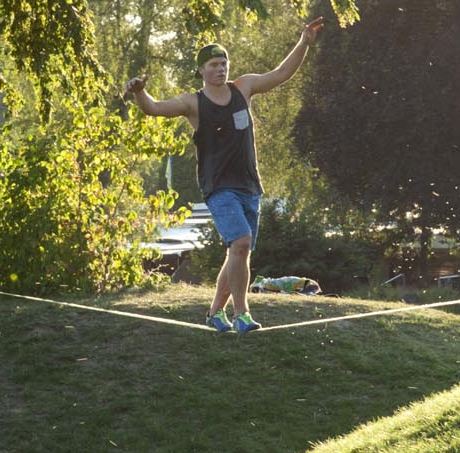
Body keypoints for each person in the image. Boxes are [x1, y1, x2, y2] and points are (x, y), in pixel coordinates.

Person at [123, 17, 322, 334]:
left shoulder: (243, 88)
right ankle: (242, 314)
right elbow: (154, 108)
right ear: (201, 70)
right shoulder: (193, 103)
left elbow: (281, 74)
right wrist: (139, 94)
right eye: (214, 64)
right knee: (240, 244)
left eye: (224, 62)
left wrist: (303, 43)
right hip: (219, 188)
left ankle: (215, 313)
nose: (221, 69)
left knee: (238, 253)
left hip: (249, 186)